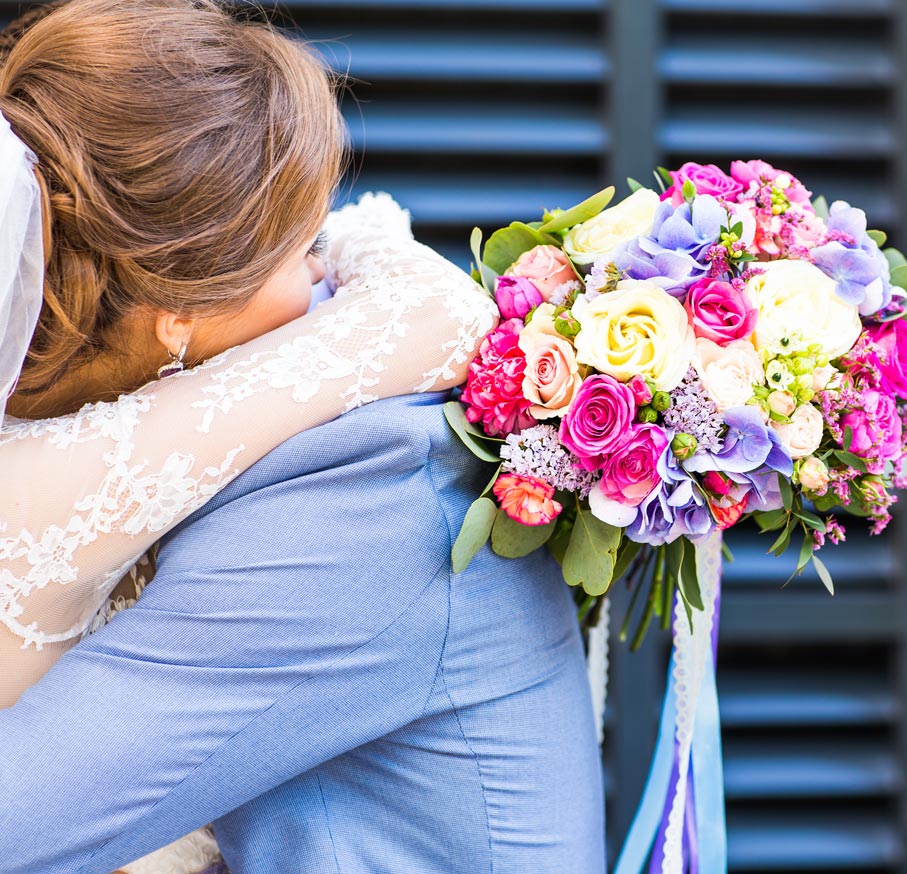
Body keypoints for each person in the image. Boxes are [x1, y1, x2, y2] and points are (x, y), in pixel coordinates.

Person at [0, 2, 606, 872]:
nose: (322, 266)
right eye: (294, 243)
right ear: (181, 315)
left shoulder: (376, 495)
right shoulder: (140, 423)